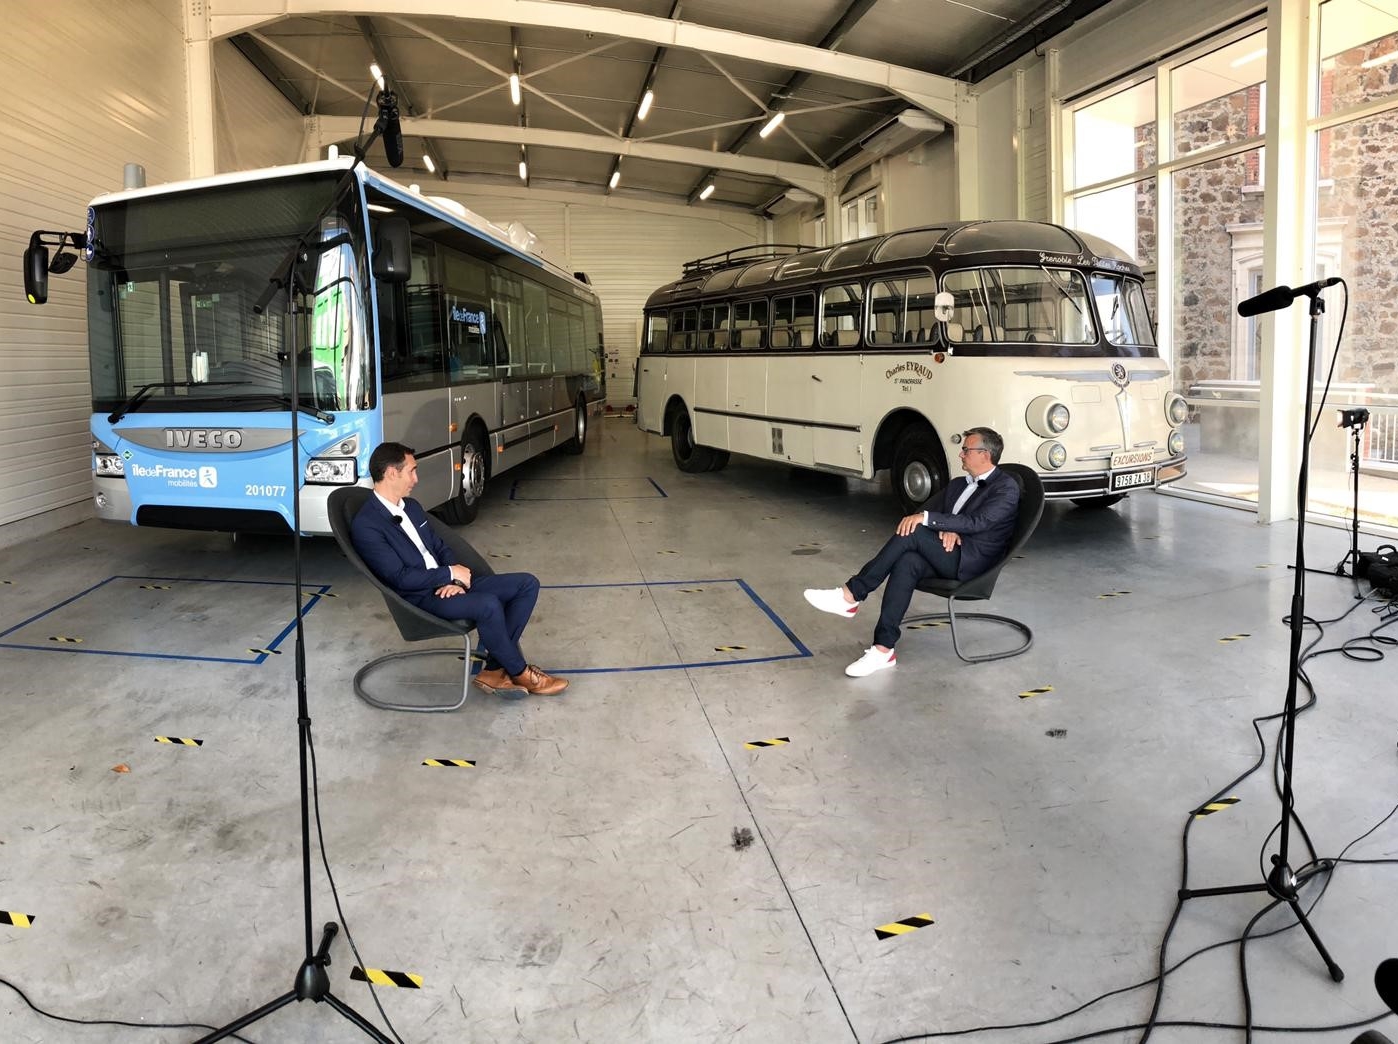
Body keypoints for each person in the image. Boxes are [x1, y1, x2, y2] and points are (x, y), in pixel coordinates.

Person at [350, 442, 568, 696]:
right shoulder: (367, 525)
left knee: (526, 584)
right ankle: (521, 672)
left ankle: (494, 670)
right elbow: (400, 578)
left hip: (449, 583)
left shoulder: (412, 507)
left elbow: (441, 546)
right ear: (391, 473)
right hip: (421, 597)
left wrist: (455, 580)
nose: (416, 479)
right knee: (488, 605)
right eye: (411, 471)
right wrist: (449, 575)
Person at [804, 427, 1020, 677]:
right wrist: (946, 527)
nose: (960, 454)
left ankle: (851, 594)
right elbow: (925, 511)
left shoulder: (1006, 487)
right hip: (948, 552)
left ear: (985, 454)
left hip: (973, 562)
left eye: (966, 450)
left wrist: (939, 523)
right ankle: (883, 649)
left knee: (915, 531)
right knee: (907, 561)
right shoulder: (958, 484)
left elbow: (978, 522)